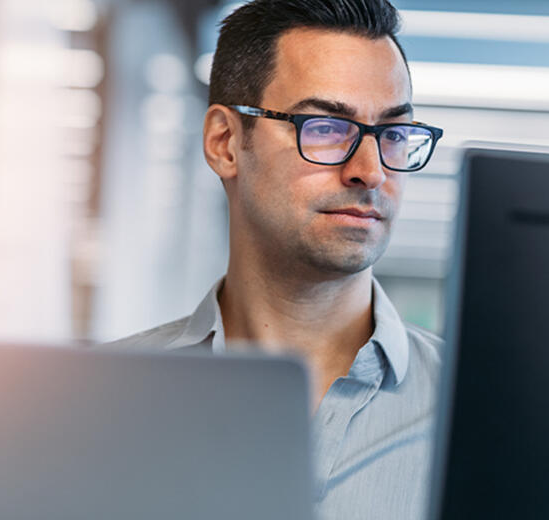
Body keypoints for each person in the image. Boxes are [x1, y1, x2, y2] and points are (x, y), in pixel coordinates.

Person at [104, 0, 444, 518]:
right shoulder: (102, 400)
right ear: (225, 142)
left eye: (393, 134)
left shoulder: (485, 412)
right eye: (327, 127)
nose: (370, 171)